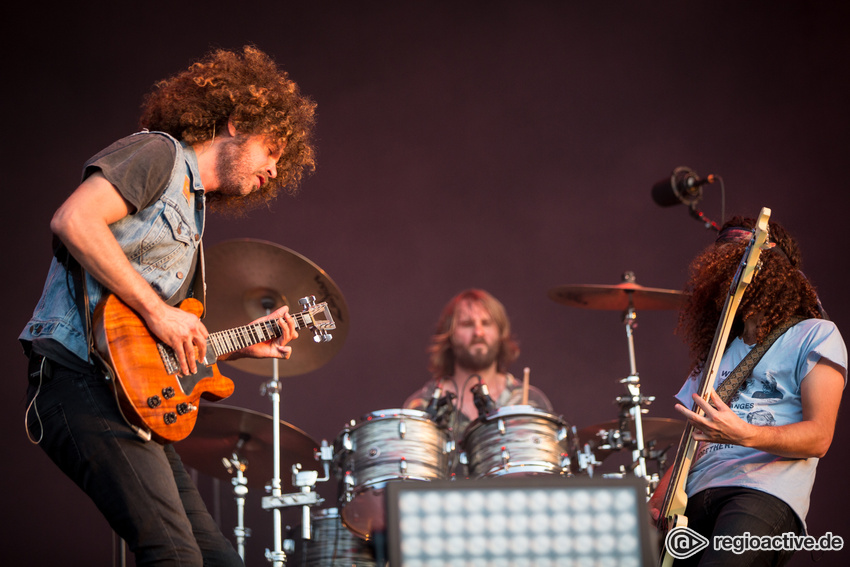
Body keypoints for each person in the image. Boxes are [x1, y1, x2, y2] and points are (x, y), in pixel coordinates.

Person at [19, 46, 317, 566]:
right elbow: (74, 220)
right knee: (176, 556)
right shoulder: (158, 154)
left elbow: (148, 344)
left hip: (128, 394)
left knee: (219, 560)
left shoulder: (194, 221)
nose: (275, 168)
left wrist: (237, 346)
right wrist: (159, 312)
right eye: (273, 149)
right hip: (78, 377)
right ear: (238, 121)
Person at [649, 216, 846, 566]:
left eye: (734, 266)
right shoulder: (716, 355)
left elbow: (820, 437)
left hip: (762, 494)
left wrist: (745, 433)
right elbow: (691, 440)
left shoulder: (816, 335)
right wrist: (660, 496)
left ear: (770, 270)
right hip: (693, 498)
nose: (725, 278)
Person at [404, 289, 554, 435]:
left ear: (500, 333)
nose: (478, 332)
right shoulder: (421, 407)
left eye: (486, 323)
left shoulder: (529, 401)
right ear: (449, 335)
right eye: (467, 324)